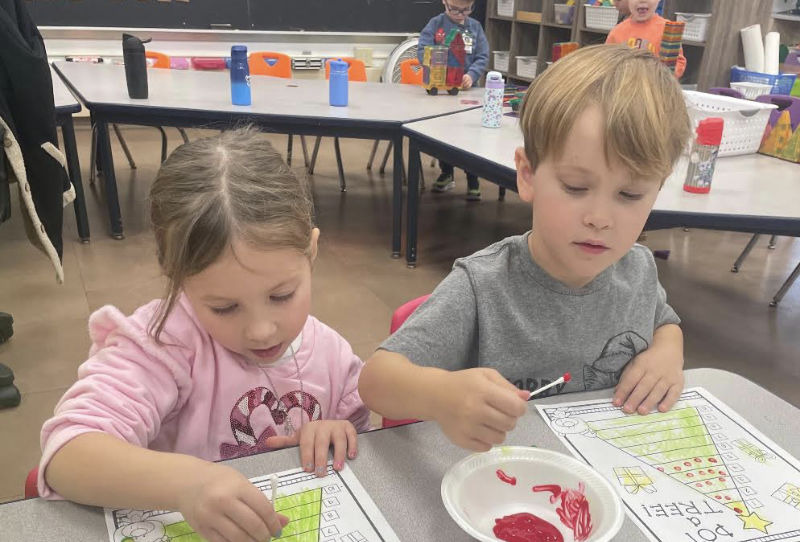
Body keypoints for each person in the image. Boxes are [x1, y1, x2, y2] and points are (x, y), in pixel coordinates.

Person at [38, 128, 371, 542]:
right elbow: (68, 454)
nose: (261, 329)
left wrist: (335, 432)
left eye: (282, 295)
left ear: (312, 252)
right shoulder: (162, 343)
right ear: (176, 278)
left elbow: (363, 443)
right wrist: (186, 484)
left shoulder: (332, 353)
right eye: (224, 307)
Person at [359, 45, 691, 453]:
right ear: (528, 174)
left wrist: (667, 353)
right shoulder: (483, 286)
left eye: (630, 194)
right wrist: (443, 394)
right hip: (509, 484)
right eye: (575, 187)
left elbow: (664, 321)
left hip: (610, 468)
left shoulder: (637, 268)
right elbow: (376, 381)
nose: (600, 218)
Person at [418, 0, 488, 200]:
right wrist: (435, 65)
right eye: (454, 9)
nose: (459, 14)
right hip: (441, 93)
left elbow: (482, 56)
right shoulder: (435, 24)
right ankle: (446, 172)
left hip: (467, 95)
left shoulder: (475, 27)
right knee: (443, 136)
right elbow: (423, 49)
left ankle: (473, 179)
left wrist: (472, 75)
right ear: (444, 2)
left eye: (465, 10)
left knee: (469, 140)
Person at [606, 0, 686, 78]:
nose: (642, 1)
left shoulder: (668, 30)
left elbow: (677, 66)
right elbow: (606, 63)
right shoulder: (616, 32)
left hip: (655, 88)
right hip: (624, 87)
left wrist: (661, 75)